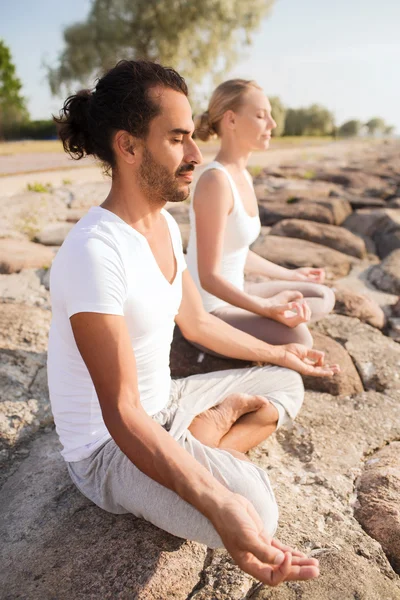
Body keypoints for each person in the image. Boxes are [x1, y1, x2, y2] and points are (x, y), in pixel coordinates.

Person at [48, 60, 338, 587]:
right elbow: (121, 413)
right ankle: (204, 448)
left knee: (286, 380)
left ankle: (203, 435)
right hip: (109, 450)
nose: (196, 155)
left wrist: (281, 353)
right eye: (178, 139)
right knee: (255, 511)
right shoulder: (94, 252)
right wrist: (217, 500)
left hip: (168, 403)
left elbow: (198, 323)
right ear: (129, 146)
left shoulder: (161, 223)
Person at [186, 79, 335, 350]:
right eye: (260, 115)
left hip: (239, 291)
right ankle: (261, 315)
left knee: (323, 295)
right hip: (211, 311)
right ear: (231, 120)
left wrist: (292, 275)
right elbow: (208, 277)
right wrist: (267, 308)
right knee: (300, 338)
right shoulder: (215, 182)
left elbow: (236, 251)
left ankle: (269, 307)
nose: (272, 124)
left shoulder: (241, 175)